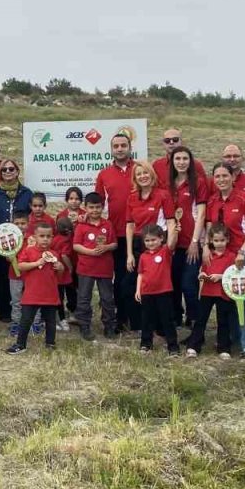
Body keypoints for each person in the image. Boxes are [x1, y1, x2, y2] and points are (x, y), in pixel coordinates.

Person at [204, 162, 245, 358]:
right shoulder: (213, 201)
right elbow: (210, 230)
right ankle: (233, 339)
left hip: (244, 255)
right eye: (217, 176)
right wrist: (206, 247)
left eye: (225, 176)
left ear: (232, 177)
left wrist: (242, 252)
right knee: (228, 299)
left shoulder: (244, 199)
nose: (221, 180)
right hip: (223, 256)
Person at [122, 160, 176, 334]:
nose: (142, 176)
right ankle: (139, 325)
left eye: (145, 173)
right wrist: (129, 253)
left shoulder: (163, 195)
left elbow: (170, 222)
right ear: (135, 178)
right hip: (138, 243)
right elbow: (130, 225)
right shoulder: (131, 197)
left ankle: (162, 327)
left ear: (151, 175)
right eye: (139, 174)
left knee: (159, 286)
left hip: (158, 243)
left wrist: (168, 248)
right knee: (129, 284)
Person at [0, 157, 32, 323]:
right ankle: (4, 312)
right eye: (4, 169)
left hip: (23, 244)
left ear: (17, 171)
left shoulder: (26, 193)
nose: (8, 172)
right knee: (3, 277)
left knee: (23, 277)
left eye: (11, 169)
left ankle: (25, 308)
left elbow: (32, 216)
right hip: (1, 245)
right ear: (0, 173)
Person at [94, 133, 135, 329]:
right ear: (112, 149)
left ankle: (138, 317)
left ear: (129, 147)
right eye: (116, 146)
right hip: (116, 234)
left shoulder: (141, 170)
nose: (120, 149)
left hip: (140, 234)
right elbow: (98, 204)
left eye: (123, 145)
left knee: (136, 276)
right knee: (119, 278)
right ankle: (120, 317)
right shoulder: (104, 174)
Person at [6, 222, 64, 354]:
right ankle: (20, 344)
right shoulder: (28, 250)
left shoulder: (54, 253)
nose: (45, 239)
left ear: (52, 237)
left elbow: (59, 275)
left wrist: (60, 267)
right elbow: (20, 267)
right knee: (26, 320)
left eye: (48, 236)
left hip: (50, 293)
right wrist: (37, 263)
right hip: (32, 293)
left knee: (50, 321)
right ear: (35, 237)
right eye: (42, 236)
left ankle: (50, 343)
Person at [166, 146, 207, 328]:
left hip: (191, 243)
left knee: (188, 285)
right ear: (172, 162)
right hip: (172, 243)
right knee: (172, 283)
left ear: (190, 162)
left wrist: (195, 242)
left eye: (185, 159)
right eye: (177, 159)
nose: (181, 162)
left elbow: (202, 214)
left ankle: (195, 319)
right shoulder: (168, 184)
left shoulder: (197, 183)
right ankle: (175, 317)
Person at [73, 192, 118, 341]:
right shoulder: (81, 226)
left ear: (102, 207)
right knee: (84, 297)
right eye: (91, 207)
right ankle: (84, 325)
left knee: (107, 298)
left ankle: (109, 326)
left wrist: (106, 247)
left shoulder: (108, 224)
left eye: (98, 207)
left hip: (104, 269)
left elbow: (114, 244)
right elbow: (76, 246)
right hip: (86, 268)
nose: (94, 210)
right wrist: (91, 252)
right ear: (85, 208)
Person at [187, 224, 236, 359]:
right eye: (216, 241)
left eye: (222, 240)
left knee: (223, 321)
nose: (219, 243)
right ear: (211, 241)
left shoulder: (232, 256)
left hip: (223, 293)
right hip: (207, 292)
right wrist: (202, 275)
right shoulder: (208, 255)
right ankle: (193, 346)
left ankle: (224, 348)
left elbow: (235, 274)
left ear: (227, 240)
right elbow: (203, 269)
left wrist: (221, 277)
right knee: (201, 319)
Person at [135, 224, 179, 355]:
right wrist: (138, 290)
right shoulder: (143, 256)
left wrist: (175, 231)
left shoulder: (165, 252)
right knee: (146, 319)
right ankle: (146, 344)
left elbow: (172, 244)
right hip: (147, 292)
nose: (150, 243)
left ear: (161, 239)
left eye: (153, 240)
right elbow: (140, 274)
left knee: (167, 319)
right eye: (147, 240)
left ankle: (173, 346)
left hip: (163, 292)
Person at [52, 217, 76, 331]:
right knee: (67, 294)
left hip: (55, 269)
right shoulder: (66, 240)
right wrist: (70, 267)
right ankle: (63, 318)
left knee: (58, 296)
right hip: (63, 271)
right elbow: (64, 255)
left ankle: (59, 317)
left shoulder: (55, 238)